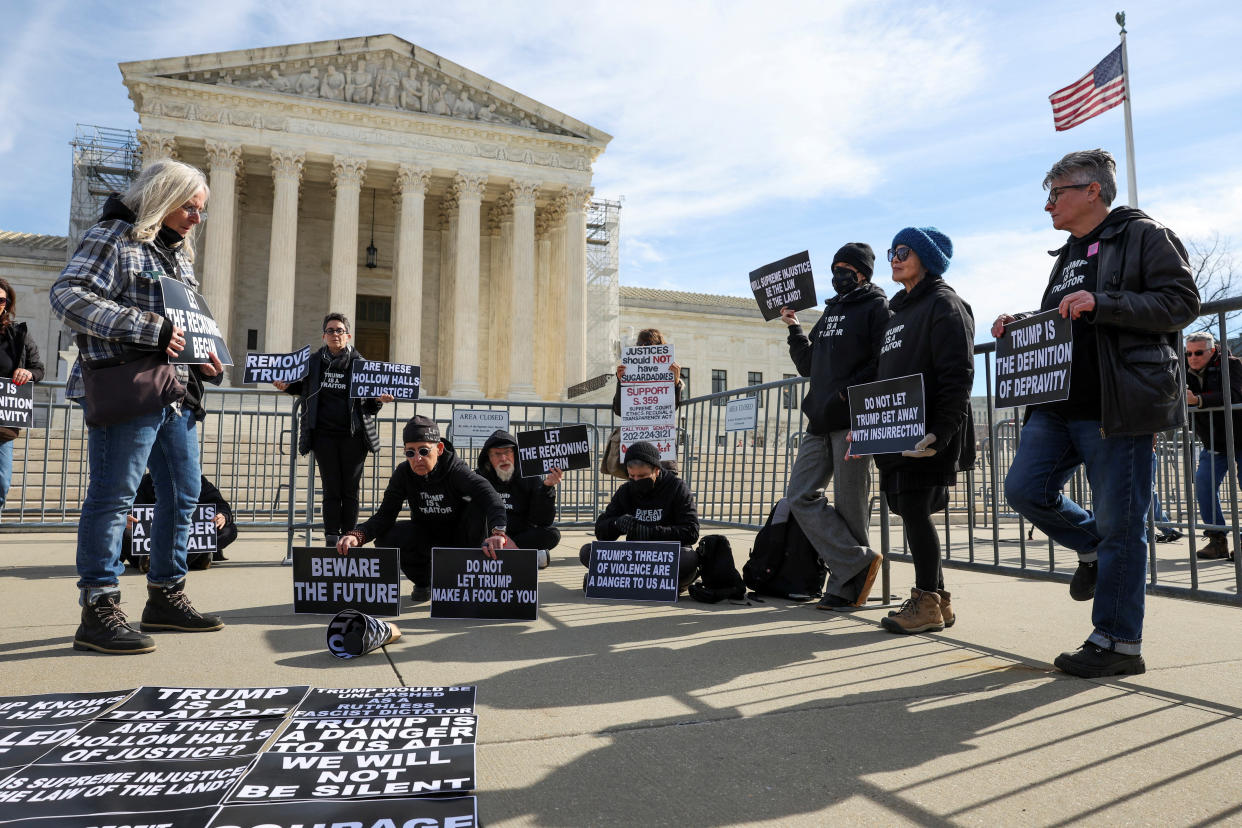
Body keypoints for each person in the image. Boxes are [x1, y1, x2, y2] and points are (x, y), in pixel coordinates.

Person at [996, 149, 1198, 678]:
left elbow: (1181, 302)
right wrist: (1024, 325)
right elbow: (1066, 318)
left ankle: (1117, 642)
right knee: (1023, 490)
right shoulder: (1065, 254)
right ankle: (1091, 550)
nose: (1047, 206)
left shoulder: (1144, 234)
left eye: (1055, 194)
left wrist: (1104, 303)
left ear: (1092, 190)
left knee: (1124, 524)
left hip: (1118, 405)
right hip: (1058, 405)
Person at [51, 158, 227, 655]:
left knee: (184, 492)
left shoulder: (177, 258)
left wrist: (204, 358)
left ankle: (166, 594)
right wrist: (150, 329)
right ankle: (99, 606)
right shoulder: (115, 237)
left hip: (174, 394)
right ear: (161, 197)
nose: (196, 218)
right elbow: (68, 296)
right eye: (189, 207)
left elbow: (182, 327)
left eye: (201, 211)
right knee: (114, 497)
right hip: (126, 387)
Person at [867, 227, 975, 636]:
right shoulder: (900, 312)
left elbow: (957, 373)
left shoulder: (945, 304)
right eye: (891, 250)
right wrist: (869, 429)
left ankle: (925, 600)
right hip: (894, 430)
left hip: (927, 431)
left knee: (914, 509)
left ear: (927, 258)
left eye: (904, 251)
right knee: (906, 508)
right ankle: (939, 602)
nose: (894, 257)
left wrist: (941, 432)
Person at [779, 243, 890, 610]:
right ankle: (857, 562)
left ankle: (847, 584)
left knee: (850, 503)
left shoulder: (877, 307)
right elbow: (809, 364)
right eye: (834, 267)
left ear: (862, 272)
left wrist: (848, 393)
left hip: (853, 418)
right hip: (819, 420)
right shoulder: (832, 311)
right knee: (799, 495)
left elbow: (882, 361)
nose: (838, 273)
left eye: (845, 268)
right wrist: (795, 328)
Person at [337, 415, 509, 603]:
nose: (417, 458)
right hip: (427, 534)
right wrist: (358, 535)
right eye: (410, 453)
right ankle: (424, 582)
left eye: (424, 451)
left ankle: (467, 579)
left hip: (461, 537)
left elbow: (491, 497)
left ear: (439, 449)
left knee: (477, 505)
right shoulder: (403, 474)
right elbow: (385, 516)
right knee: (388, 537)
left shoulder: (457, 470)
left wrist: (498, 532)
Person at [274, 312, 391, 546]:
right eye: (330, 330)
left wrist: (379, 399)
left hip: (354, 436)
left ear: (348, 335)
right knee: (330, 488)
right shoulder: (314, 362)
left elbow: (369, 406)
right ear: (324, 335)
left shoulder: (361, 365)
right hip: (324, 436)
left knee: (350, 490)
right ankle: (330, 535)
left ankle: (348, 536)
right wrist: (285, 387)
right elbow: (300, 386)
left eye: (339, 330)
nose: (335, 334)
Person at [581, 440, 701, 591]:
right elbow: (601, 531)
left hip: (665, 556)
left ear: (656, 470)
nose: (636, 480)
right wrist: (617, 524)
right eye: (632, 476)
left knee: (689, 559)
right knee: (587, 552)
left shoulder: (677, 488)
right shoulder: (625, 491)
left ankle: (615, 579)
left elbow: (691, 532)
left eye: (642, 476)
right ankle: (648, 582)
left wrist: (653, 532)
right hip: (635, 556)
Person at [1184, 331, 1242, 561]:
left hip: (1241, 436)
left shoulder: (1233, 365)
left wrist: (1199, 401)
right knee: (1203, 484)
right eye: (1189, 353)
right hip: (1213, 441)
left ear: (1212, 350)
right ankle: (1217, 539)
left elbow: (1236, 394)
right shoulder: (1184, 370)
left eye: (1198, 352)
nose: (1193, 357)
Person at [476, 429, 562, 568]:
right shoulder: (478, 477)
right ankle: (525, 556)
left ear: (515, 454)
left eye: (507, 453)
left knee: (552, 534)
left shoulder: (529, 477)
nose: (503, 458)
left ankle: (509, 553)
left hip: (520, 535)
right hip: (490, 534)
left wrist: (547, 488)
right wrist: (499, 536)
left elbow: (542, 520)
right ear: (489, 458)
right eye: (497, 454)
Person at [125, 472, 238, 570]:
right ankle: (197, 559)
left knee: (228, 530)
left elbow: (220, 504)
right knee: (122, 530)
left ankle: (158, 562)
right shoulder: (146, 482)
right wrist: (127, 517)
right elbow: (130, 508)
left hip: (188, 534)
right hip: (155, 536)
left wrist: (222, 515)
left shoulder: (197, 480)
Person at [0, 278, 45, 516]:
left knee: (1, 483)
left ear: (7, 304)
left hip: (3, 424)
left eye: (1, 300)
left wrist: (28, 372)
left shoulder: (19, 335)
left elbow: (39, 368)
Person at [612, 328, 682, 472]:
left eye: (648, 346)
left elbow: (670, 408)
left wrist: (675, 383)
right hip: (639, 456)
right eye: (640, 346)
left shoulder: (670, 373)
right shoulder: (628, 374)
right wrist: (621, 382)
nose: (643, 350)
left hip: (663, 457)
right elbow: (619, 410)